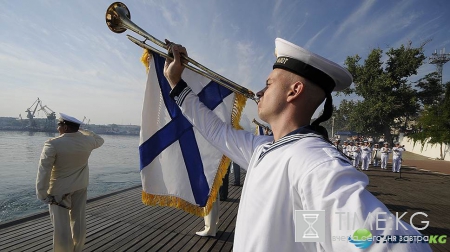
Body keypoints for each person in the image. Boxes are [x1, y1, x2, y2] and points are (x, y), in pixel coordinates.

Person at [163, 38, 430, 251]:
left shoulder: (313, 161)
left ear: (294, 91)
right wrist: (176, 83)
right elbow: (214, 131)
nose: (259, 92)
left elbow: (396, 245)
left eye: (268, 84)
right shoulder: (264, 149)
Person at [36, 113, 104, 252]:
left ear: (65, 127)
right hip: (80, 187)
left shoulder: (53, 144)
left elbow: (44, 170)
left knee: (62, 227)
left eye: (59, 125)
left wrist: (42, 193)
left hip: (59, 191)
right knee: (78, 221)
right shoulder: (88, 141)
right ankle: (77, 249)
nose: (57, 128)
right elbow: (100, 139)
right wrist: (82, 130)